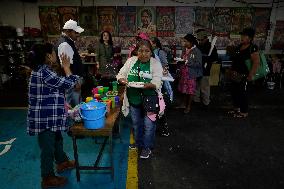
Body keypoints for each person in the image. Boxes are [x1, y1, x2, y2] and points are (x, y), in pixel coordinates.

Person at [26, 43, 79, 188]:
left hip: (50, 116)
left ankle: (62, 162)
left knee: (57, 139)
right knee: (47, 148)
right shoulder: (44, 72)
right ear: (49, 56)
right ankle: (47, 177)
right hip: (45, 118)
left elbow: (53, 90)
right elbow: (69, 83)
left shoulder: (42, 70)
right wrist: (67, 67)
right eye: (54, 53)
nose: (56, 56)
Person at [117, 40, 163, 159]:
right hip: (133, 99)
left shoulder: (156, 63)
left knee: (149, 125)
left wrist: (148, 85)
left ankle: (147, 147)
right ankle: (138, 143)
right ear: (136, 51)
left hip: (150, 100)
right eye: (141, 51)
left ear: (151, 52)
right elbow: (120, 74)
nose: (143, 54)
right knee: (136, 123)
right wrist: (122, 80)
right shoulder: (131, 61)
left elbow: (157, 81)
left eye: (147, 51)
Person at [228, 27, 260, 118]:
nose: (242, 37)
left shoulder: (253, 48)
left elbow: (256, 62)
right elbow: (235, 60)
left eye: (244, 36)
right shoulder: (239, 46)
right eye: (241, 35)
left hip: (244, 76)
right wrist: (231, 70)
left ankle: (244, 112)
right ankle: (236, 108)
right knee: (234, 92)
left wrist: (251, 75)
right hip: (235, 74)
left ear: (250, 38)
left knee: (243, 94)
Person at [55, 19, 84, 107]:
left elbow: (69, 60)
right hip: (72, 81)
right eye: (76, 33)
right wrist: (75, 82)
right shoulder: (65, 45)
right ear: (68, 31)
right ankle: (74, 120)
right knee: (74, 106)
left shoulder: (67, 42)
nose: (78, 35)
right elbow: (65, 66)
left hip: (71, 79)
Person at [151, 37, 172, 137]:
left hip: (158, 82)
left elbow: (165, 66)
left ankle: (164, 127)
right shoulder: (150, 54)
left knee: (159, 106)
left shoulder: (159, 53)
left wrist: (163, 70)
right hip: (151, 82)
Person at [176, 34, 203, 114]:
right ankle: (183, 104)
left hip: (191, 74)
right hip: (183, 74)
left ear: (191, 42)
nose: (185, 43)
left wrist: (188, 62)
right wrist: (180, 61)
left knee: (190, 91)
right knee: (183, 89)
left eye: (186, 41)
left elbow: (199, 64)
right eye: (184, 41)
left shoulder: (196, 51)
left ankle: (189, 106)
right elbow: (182, 58)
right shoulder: (185, 49)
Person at [194, 29, 218, 109]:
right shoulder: (197, 46)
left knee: (205, 87)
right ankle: (196, 101)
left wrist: (206, 58)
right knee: (196, 87)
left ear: (205, 38)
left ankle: (206, 103)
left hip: (206, 70)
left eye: (201, 40)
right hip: (197, 70)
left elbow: (215, 58)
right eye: (198, 40)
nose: (200, 41)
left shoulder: (211, 47)